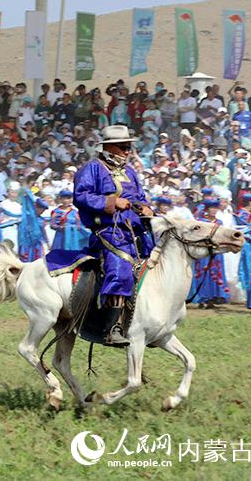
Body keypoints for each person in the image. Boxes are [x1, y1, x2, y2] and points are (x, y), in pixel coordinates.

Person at [71, 125, 155, 346]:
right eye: (123, 147)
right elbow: (80, 197)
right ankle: (111, 328)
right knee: (122, 267)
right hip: (108, 233)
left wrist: (145, 207)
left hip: (136, 232)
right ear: (108, 147)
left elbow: (140, 197)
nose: (128, 151)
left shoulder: (130, 172)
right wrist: (112, 202)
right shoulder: (92, 169)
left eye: (129, 147)